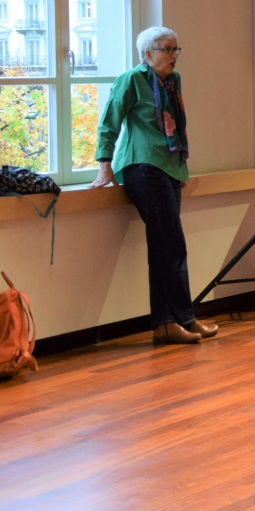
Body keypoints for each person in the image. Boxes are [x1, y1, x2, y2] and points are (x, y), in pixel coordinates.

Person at [91, 26, 217, 346]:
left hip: (169, 168)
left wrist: (181, 170)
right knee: (170, 244)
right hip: (142, 166)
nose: (174, 56)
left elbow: (176, 128)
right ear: (148, 54)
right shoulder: (132, 79)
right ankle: (170, 321)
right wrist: (105, 163)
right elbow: (110, 120)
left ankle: (177, 320)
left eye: (176, 49)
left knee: (169, 245)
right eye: (167, 49)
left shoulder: (172, 81)